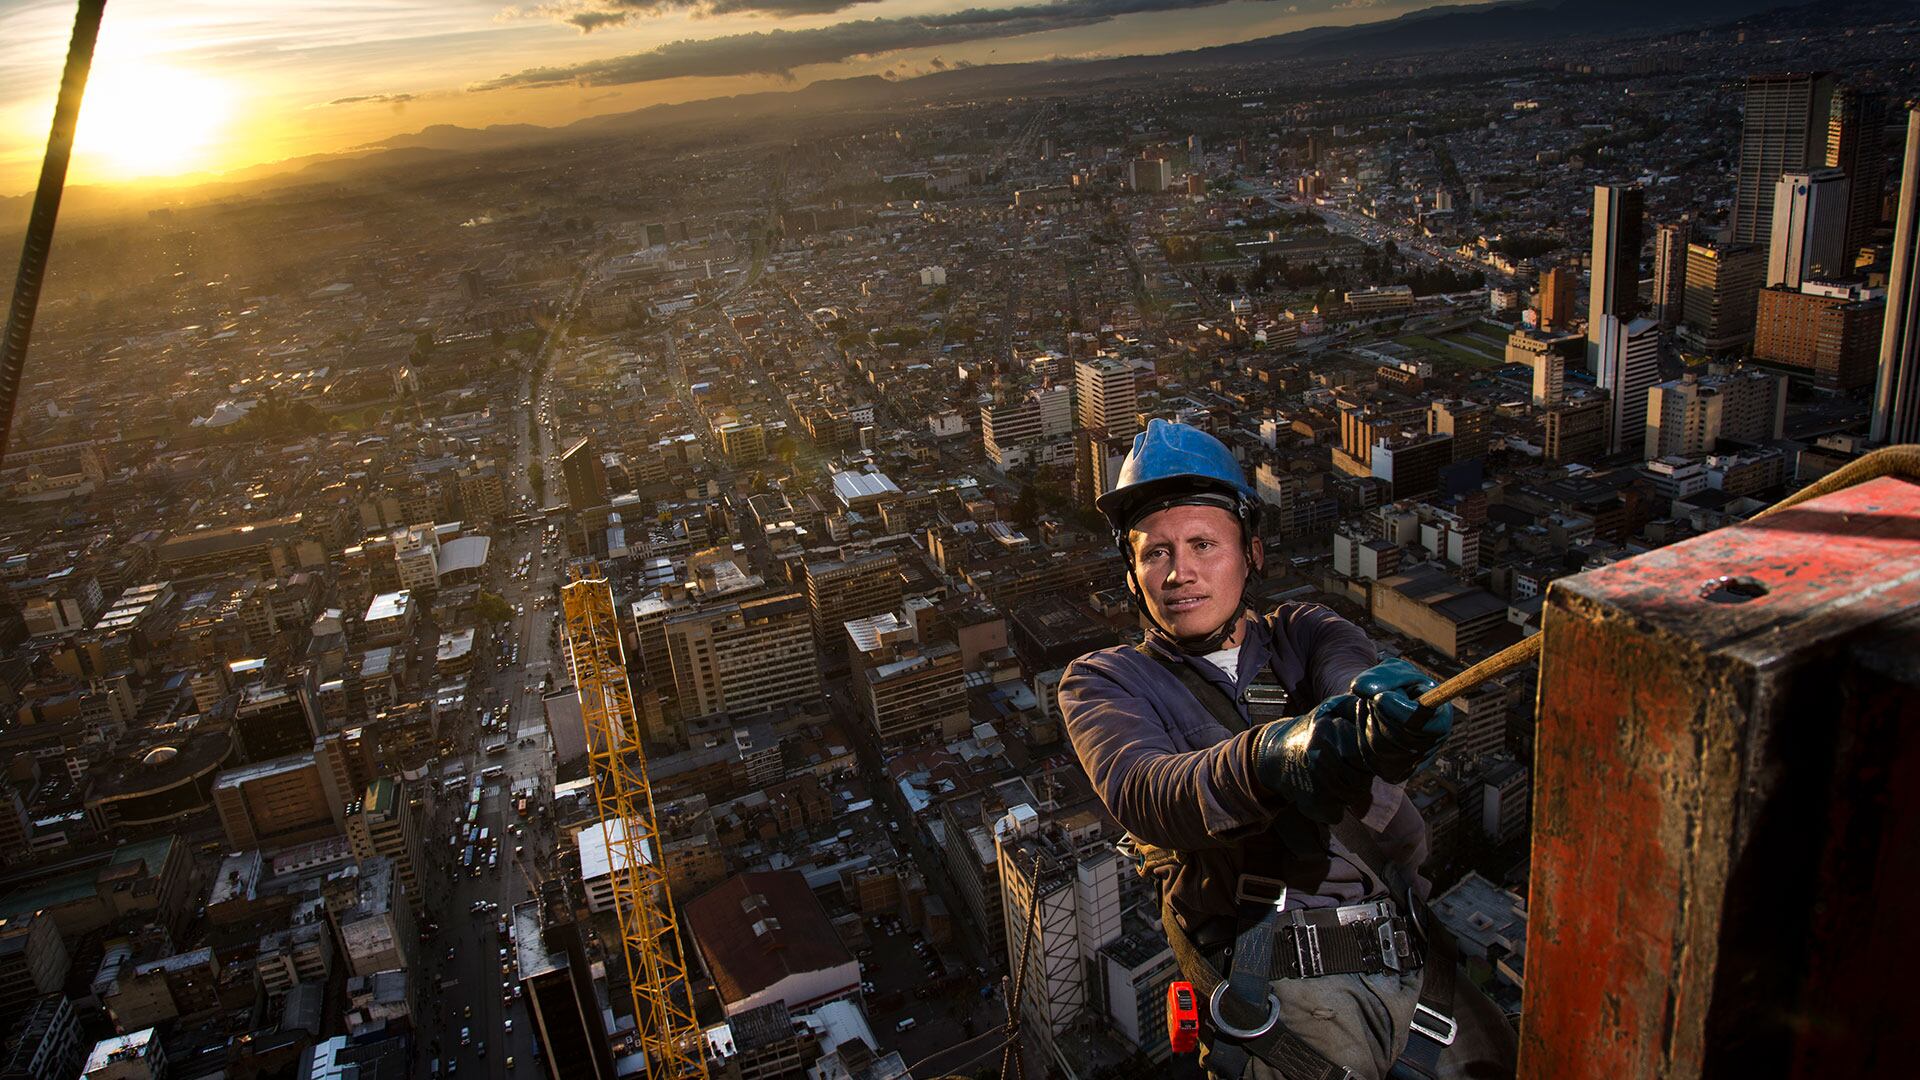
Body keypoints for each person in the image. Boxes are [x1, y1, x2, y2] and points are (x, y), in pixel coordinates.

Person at [1060, 419, 1515, 1079]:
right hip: (1280, 992)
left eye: (1203, 544)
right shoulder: (1109, 682)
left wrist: (1383, 720)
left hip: (1419, 964)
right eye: (1155, 553)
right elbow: (1147, 790)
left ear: (1251, 553)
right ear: (1132, 575)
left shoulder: (1305, 631)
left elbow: (1350, 680)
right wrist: (1275, 756)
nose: (1180, 573)